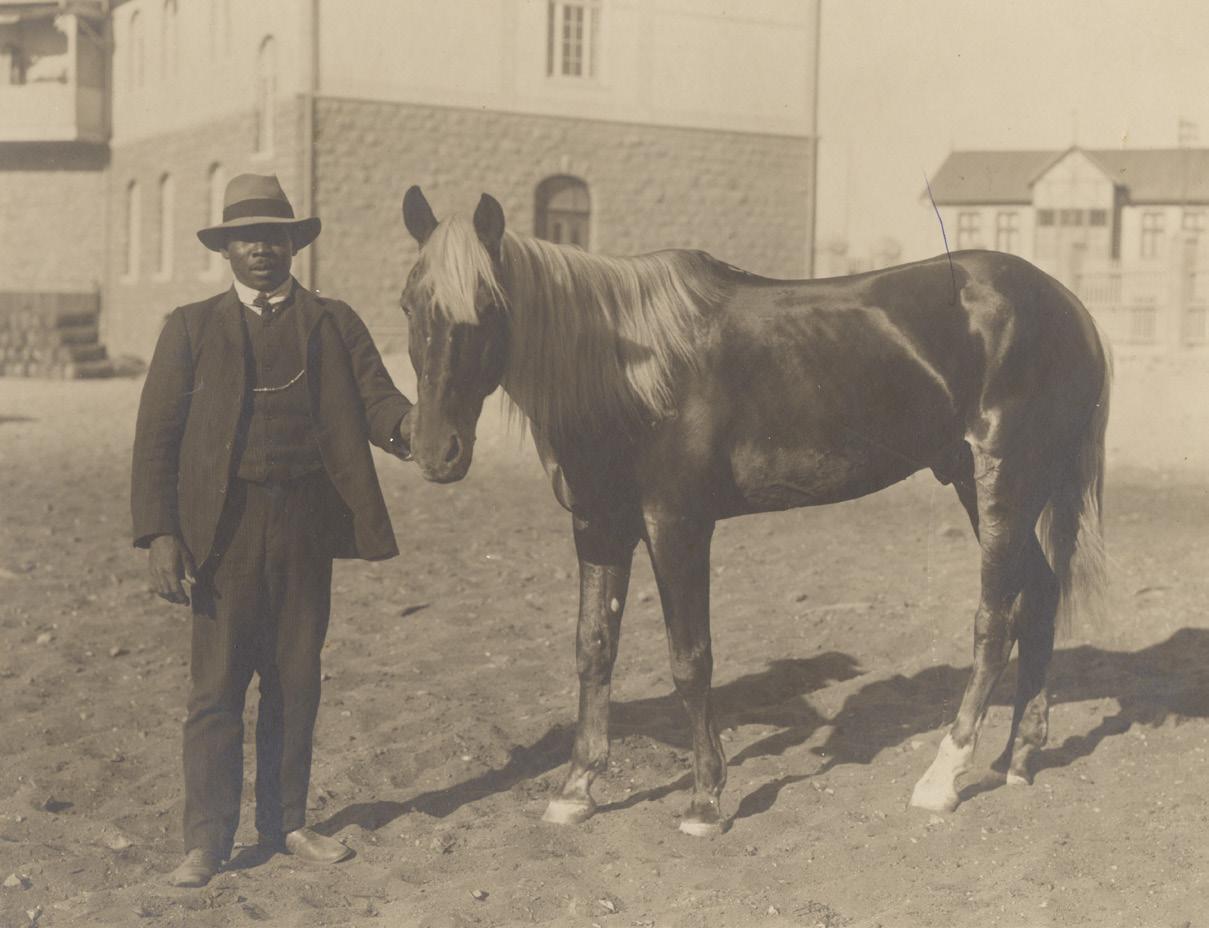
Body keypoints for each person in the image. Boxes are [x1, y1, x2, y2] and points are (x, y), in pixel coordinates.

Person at [131, 173, 414, 888]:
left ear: (294, 245)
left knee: (295, 678)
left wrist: (417, 428)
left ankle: (286, 823)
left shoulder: (332, 321)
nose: (262, 249)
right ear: (226, 250)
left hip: (304, 525)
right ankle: (207, 842)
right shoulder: (190, 327)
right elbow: (157, 437)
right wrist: (161, 533)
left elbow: (378, 401)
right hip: (220, 533)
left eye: (275, 237)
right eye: (248, 238)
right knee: (216, 687)